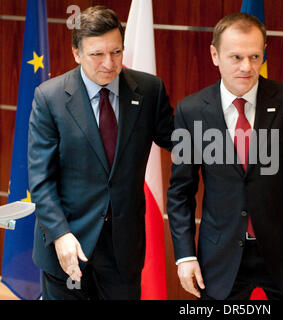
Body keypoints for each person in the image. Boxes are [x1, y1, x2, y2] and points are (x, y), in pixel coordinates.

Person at [167, 13, 283, 300]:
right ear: (214, 55)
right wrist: (184, 256)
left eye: (255, 56)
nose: (247, 67)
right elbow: (180, 191)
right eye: (236, 57)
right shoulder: (191, 110)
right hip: (220, 258)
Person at [28, 6, 174, 299]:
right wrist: (60, 234)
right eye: (97, 54)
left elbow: (179, 141)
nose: (109, 63)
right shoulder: (50, 98)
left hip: (122, 250)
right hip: (68, 245)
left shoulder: (148, 90)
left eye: (116, 52)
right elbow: (41, 180)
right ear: (77, 53)